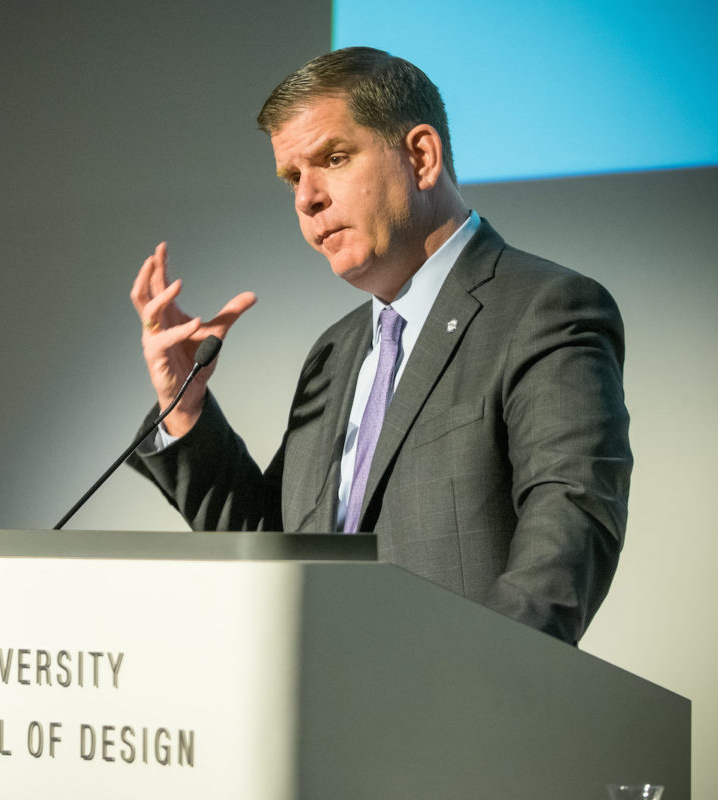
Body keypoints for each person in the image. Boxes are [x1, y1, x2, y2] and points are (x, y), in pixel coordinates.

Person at [126, 47, 631, 645]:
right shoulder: (336, 351)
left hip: (453, 712)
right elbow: (277, 545)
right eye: (293, 177)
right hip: (325, 708)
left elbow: (569, 531)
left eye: (332, 159)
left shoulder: (543, 309)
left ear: (421, 156)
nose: (305, 199)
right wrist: (184, 409)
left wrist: (473, 692)